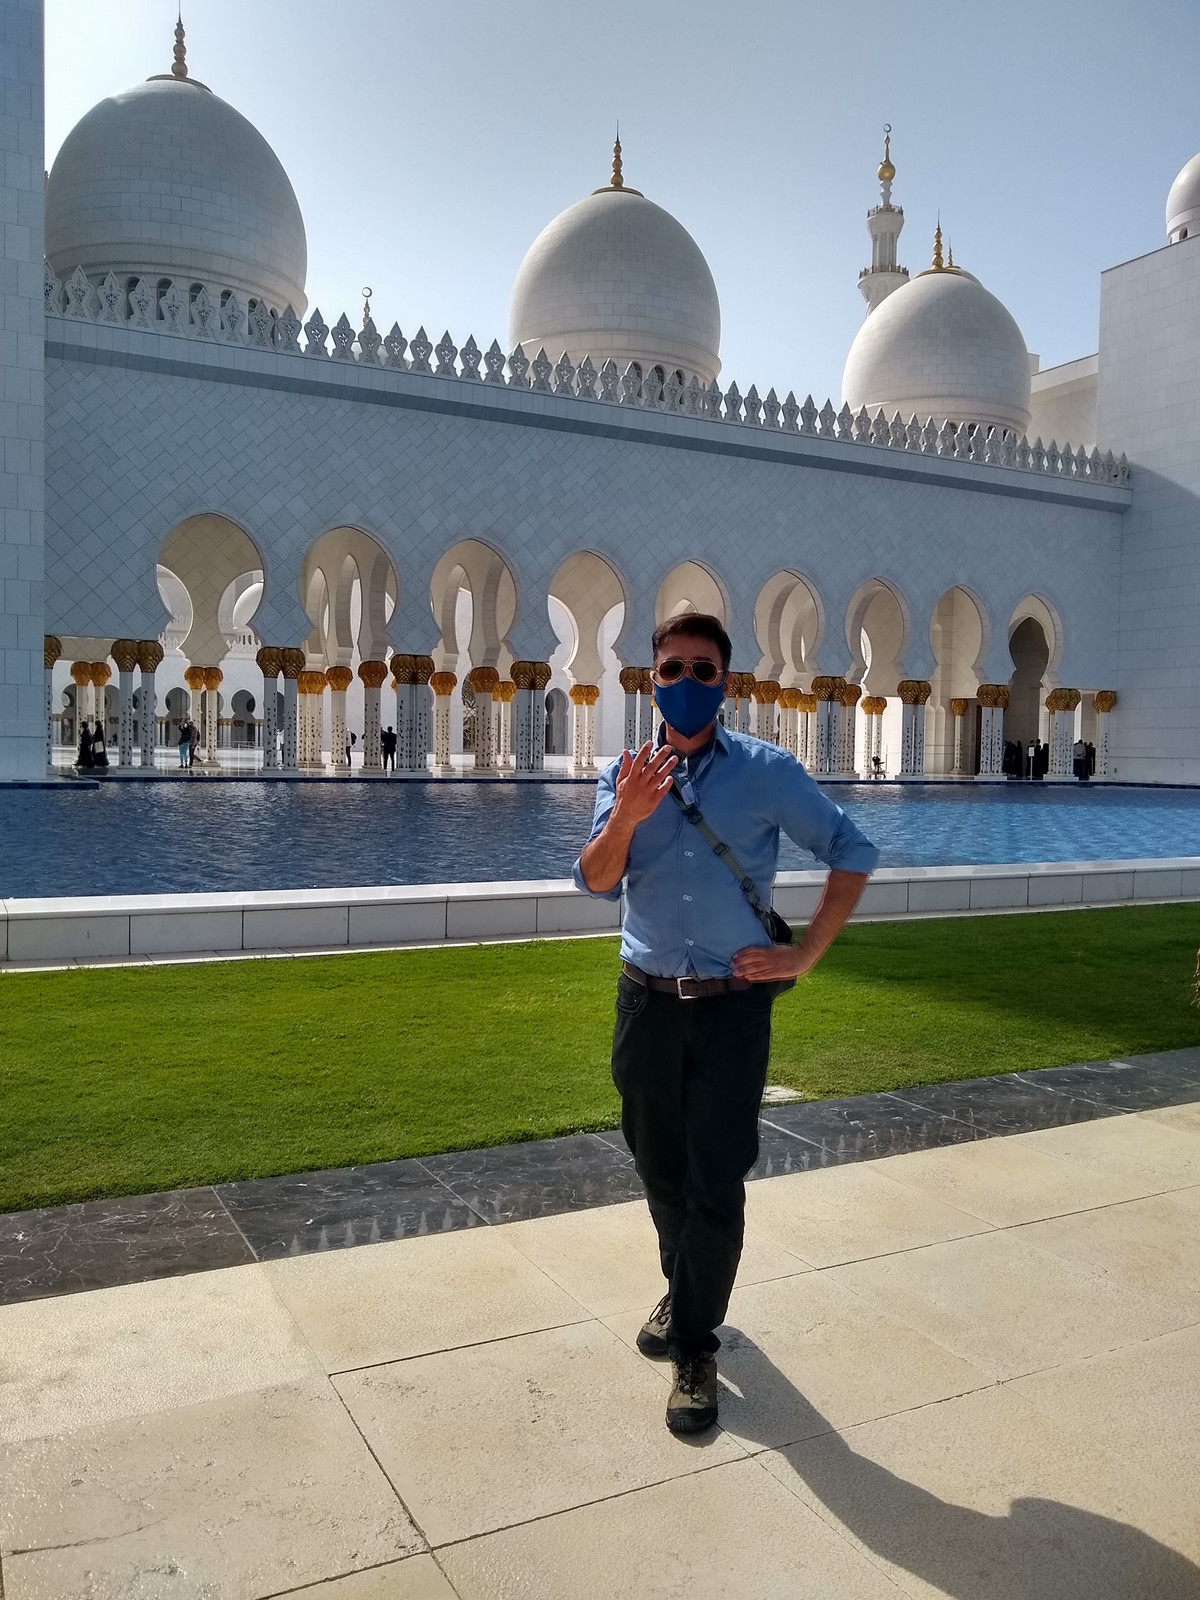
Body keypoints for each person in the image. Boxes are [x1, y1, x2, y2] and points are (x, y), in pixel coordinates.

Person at [573, 613, 878, 1435]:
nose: (687, 681)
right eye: (672, 667)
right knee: (659, 1169)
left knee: (716, 1180)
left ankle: (696, 1345)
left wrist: (805, 954)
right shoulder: (621, 775)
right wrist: (630, 812)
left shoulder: (768, 773)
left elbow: (854, 851)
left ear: (727, 683)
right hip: (645, 1005)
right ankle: (687, 1291)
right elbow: (596, 881)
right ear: (651, 678)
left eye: (703, 669)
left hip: (731, 1011)